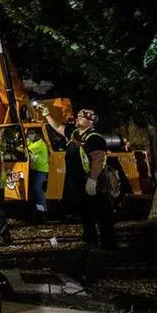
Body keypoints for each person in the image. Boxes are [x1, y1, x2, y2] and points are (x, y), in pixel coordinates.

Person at [41, 107, 116, 250]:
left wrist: (92, 180)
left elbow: (98, 159)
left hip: (93, 181)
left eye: (81, 118)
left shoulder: (94, 138)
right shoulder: (74, 134)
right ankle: (90, 240)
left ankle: (108, 244)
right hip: (78, 182)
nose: (78, 119)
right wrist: (47, 115)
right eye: (78, 116)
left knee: (101, 212)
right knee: (85, 212)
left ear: (91, 122)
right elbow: (58, 127)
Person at [26, 128, 50, 222]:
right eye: (29, 133)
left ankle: (43, 211)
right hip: (34, 170)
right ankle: (37, 211)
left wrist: (15, 148)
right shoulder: (32, 142)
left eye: (32, 133)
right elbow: (26, 143)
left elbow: (26, 150)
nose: (30, 135)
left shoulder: (40, 143)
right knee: (34, 191)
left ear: (38, 135)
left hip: (41, 170)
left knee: (37, 189)